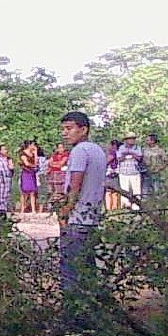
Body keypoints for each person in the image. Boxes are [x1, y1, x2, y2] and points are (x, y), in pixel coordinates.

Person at [58, 111, 107, 299]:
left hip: (77, 218)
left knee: (70, 271)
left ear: (83, 129)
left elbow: (75, 184)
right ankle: (91, 311)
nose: (65, 133)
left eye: (69, 128)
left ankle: (73, 316)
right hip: (92, 217)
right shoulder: (98, 150)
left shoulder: (79, 151)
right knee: (87, 269)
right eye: (63, 129)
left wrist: (65, 210)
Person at [115, 132, 143, 209]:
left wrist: (130, 153)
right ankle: (125, 207)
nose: (132, 140)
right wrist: (128, 154)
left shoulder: (138, 147)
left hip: (135, 172)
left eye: (133, 138)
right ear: (126, 140)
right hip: (124, 173)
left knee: (136, 191)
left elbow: (139, 158)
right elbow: (119, 158)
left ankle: (136, 207)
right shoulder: (121, 148)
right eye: (130, 139)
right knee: (124, 191)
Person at [18, 140, 39, 214]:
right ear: (29, 145)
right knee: (24, 191)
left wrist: (35, 153)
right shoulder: (23, 153)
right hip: (26, 173)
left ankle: (33, 209)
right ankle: (22, 208)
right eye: (33, 145)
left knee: (32, 191)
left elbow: (36, 162)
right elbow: (26, 163)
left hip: (32, 173)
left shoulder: (33, 153)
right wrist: (33, 166)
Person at [104, 140, 121, 212]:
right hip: (116, 173)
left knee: (109, 192)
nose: (108, 146)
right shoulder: (119, 152)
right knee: (114, 191)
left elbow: (107, 161)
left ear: (113, 146)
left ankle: (109, 207)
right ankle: (114, 207)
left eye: (109, 145)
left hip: (111, 173)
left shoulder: (113, 153)